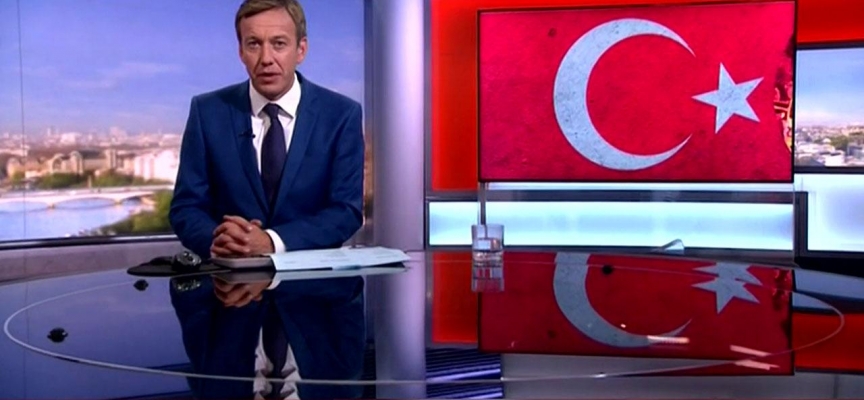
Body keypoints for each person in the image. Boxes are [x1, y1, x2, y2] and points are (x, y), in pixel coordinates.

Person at [169, 0, 364, 265]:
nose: (266, 59)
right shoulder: (208, 112)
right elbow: (187, 207)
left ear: (301, 49)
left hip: (313, 284)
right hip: (230, 283)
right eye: (254, 44)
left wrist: (271, 242)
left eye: (279, 44)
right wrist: (220, 242)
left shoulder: (341, 115)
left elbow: (346, 211)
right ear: (241, 51)